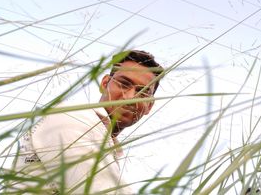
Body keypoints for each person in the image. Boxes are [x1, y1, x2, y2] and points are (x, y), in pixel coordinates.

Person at [11, 50, 163, 194]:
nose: (130, 98)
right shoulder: (72, 116)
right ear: (104, 84)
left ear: (149, 106)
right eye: (124, 84)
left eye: (142, 92)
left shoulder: (103, 139)